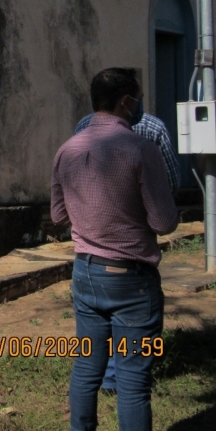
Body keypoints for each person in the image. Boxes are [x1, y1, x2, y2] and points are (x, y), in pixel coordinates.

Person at [52, 68, 178, 431]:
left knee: (87, 367)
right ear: (126, 102)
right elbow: (164, 222)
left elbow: (59, 215)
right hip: (132, 282)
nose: (139, 106)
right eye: (137, 98)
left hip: (86, 273)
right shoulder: (142, 149)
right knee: (134, 379)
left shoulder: (67, 149)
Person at [74, 109, 180, 397]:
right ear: (129, 100)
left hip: (89, 255)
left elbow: (71, 186)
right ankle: (124, 376)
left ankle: (108, 378)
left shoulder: (83, 128)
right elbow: (169, 185)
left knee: (93, 338)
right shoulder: (153, 130)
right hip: (133, 253)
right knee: (131, 325)